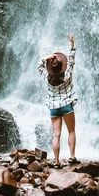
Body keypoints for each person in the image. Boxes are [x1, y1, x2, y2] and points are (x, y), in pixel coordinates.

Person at [38, 34, 78, 169]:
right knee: (71, 131)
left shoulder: (47, 76)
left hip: (54, 108)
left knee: (56, 135)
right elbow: (72, 60)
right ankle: (72, 157)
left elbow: (39, 66)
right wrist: (72, 44)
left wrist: (46, 59)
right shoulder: (67, 75)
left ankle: (56, 162)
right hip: (66, 105)